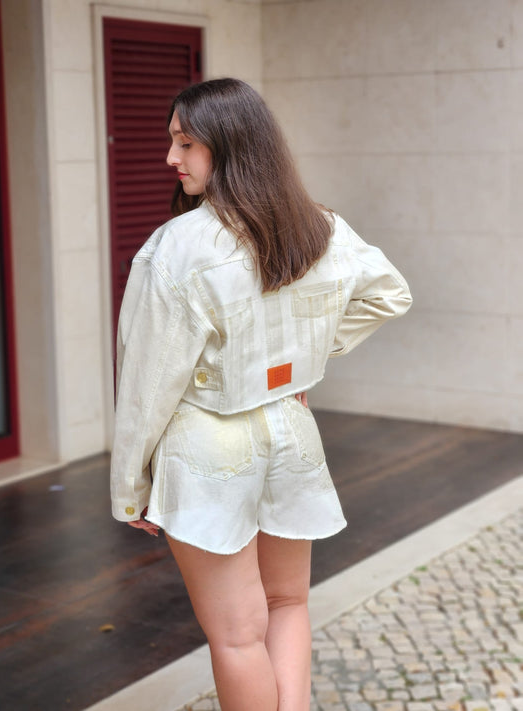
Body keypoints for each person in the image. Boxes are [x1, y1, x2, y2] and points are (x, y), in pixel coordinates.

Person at [110, 78, 412, 711]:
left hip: (206, 442)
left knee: (237, 634)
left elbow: (147, 384)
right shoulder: (321, 227)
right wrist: (300, 360)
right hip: (290, 427)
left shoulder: (178, 246)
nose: (170, 158)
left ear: (228, 145)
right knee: (288, 603)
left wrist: (130, 487)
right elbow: (389, 294)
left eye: (185, 143)